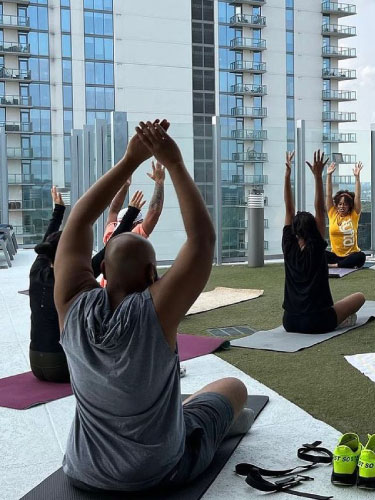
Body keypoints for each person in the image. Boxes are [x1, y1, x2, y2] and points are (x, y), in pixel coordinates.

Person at [54, 119, 251, 492]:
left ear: (104, 271)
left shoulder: (70, 304)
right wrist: (174, 164)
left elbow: (77, 222)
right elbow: (203, 240)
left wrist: (129, 161)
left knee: (185, 404)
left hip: (83, 472)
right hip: (158, 473)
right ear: (150, 273)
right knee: (233, 387)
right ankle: (201, 425)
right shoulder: (156, 311)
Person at [29, 186, 144, 383]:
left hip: (35, 364)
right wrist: (131, 213)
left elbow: (46, 240)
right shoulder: (74, 277)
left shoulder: (36, 270)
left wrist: (59, 210)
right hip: (62, 365)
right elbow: (110, 247)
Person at [282, 150, 365, 334]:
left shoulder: (288, 247)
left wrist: (288, 174)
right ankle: (342, 320)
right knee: (359, 297)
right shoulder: (316, 247)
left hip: (290, 321)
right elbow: (320, 209)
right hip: (319, 321)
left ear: (294, 232)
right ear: (314, 229)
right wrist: (318, 176)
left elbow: (289, 207)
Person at [104, 160, 166, 244]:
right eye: (141, 221)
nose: (142, 222)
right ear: (135, 224)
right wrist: (159, 182)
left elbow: (114, 209)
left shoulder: (109, 238)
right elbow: (154, 212)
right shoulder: (133, 239)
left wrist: (125, 186)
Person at [325, 161, 367, 269]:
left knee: (361, 256)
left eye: (345, 204)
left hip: (351, 255)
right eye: (339, 204)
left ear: (349, 206)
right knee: (316, 252)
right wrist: (329, 175)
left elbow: (357, 197)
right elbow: (328, 195)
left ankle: (334, 266)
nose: (342, 206)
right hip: (335, 255)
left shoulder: (354, 215)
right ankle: (338, 264)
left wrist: (357, 178)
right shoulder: (332, 214)